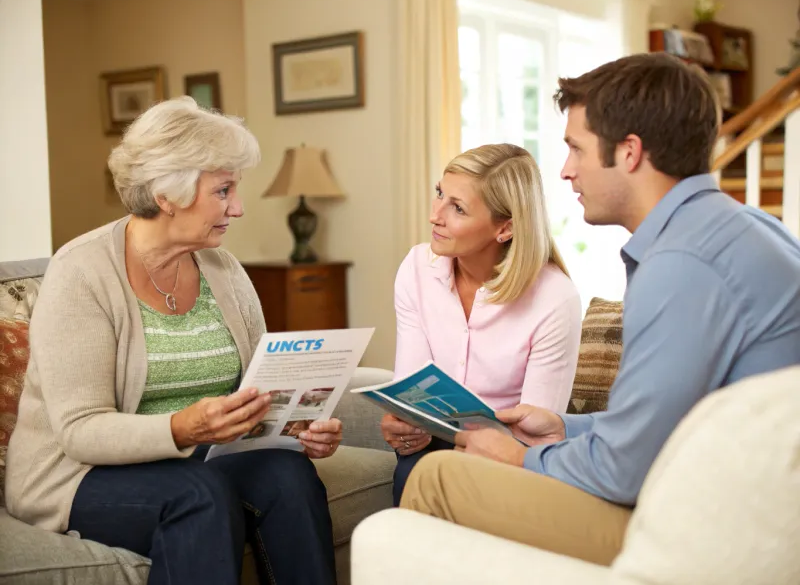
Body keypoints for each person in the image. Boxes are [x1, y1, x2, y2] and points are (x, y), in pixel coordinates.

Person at [399, 52, 800, 566]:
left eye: (576, 149)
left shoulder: (681, 264)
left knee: (437, 477)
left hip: (719, 531)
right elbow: (667, 422)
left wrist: (523, 457)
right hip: (731, 495)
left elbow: (624, 470)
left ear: (629, 152)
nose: (566, 172)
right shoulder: (738, 227)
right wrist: (567, 428)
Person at [5, 97, 343, 585]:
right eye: (223, 190)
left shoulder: (223, 270)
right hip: (75, 475)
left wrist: (297, 426)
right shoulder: (80, 272)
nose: (239, 207)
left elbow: (257, 387)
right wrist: (183, 428)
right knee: (198, 494)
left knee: (287, 479)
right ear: (168, 194)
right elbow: (80, 430)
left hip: (197, 459)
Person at [381, 143, 583, 506]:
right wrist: (404, 426)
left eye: (457, 208)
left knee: (437, 476)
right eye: (439, 194)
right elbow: (411, 389)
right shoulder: (415, 269)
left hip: (508, 453)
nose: (435, 216)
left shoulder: (554, 298)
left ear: (504, 228)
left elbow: (532, 437)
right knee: (414, 468)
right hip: (433, 445)